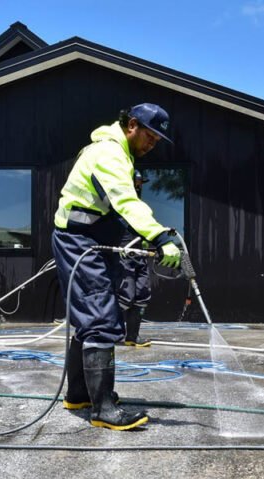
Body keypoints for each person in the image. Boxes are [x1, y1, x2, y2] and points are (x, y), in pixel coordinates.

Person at [52, 103, 182, 431]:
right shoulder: (109, 153)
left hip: (92, 239)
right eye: (150, 137)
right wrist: (159, 236)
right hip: (78, 240)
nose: (152, 145)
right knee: (100, 319)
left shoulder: (120, 154)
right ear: (132, 125)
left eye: (157, 141)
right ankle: (103, 410)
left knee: (92, 319)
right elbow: (126, 201)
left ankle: (79, 395)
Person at [118, 170, 153, 348]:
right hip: (124, 256)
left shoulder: (140, 206)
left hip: (140, 255)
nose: (139, 187)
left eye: (140, 184)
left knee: (142, 294)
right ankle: (113, 333)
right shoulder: (118, 203)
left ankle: (132, 336)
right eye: (136, 183)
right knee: (125, 295)